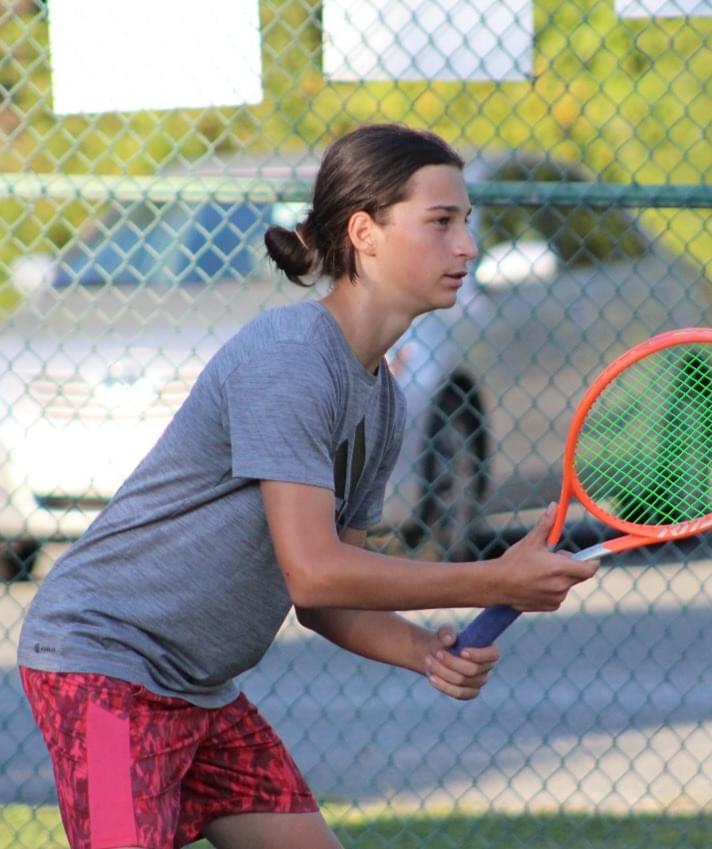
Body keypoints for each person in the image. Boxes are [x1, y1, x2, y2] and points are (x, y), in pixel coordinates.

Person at [17, 123, 597, 849]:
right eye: (441, 222)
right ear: (366, 232)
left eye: (467, 224)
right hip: (99, 668)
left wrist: (425, 649)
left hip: (199, 691)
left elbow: (325, 600)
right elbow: (314, 568)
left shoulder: (381, 400)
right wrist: (498, 577)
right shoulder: (291, 359)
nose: (467, 247)